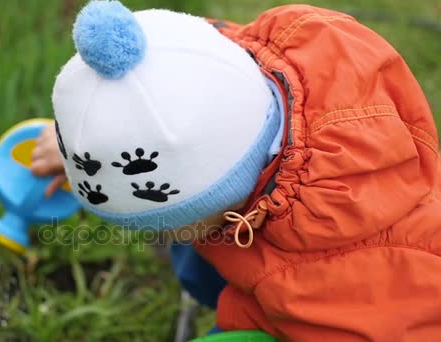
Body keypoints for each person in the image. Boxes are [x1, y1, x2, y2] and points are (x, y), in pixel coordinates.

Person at [31, 1, 441, 340]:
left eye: (163, 223)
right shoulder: (225, 69)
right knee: (194, 247)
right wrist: (88, 149)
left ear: (228, 188)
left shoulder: (344, 264)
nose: (156, 235)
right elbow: (153, 100)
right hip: (250, 237)